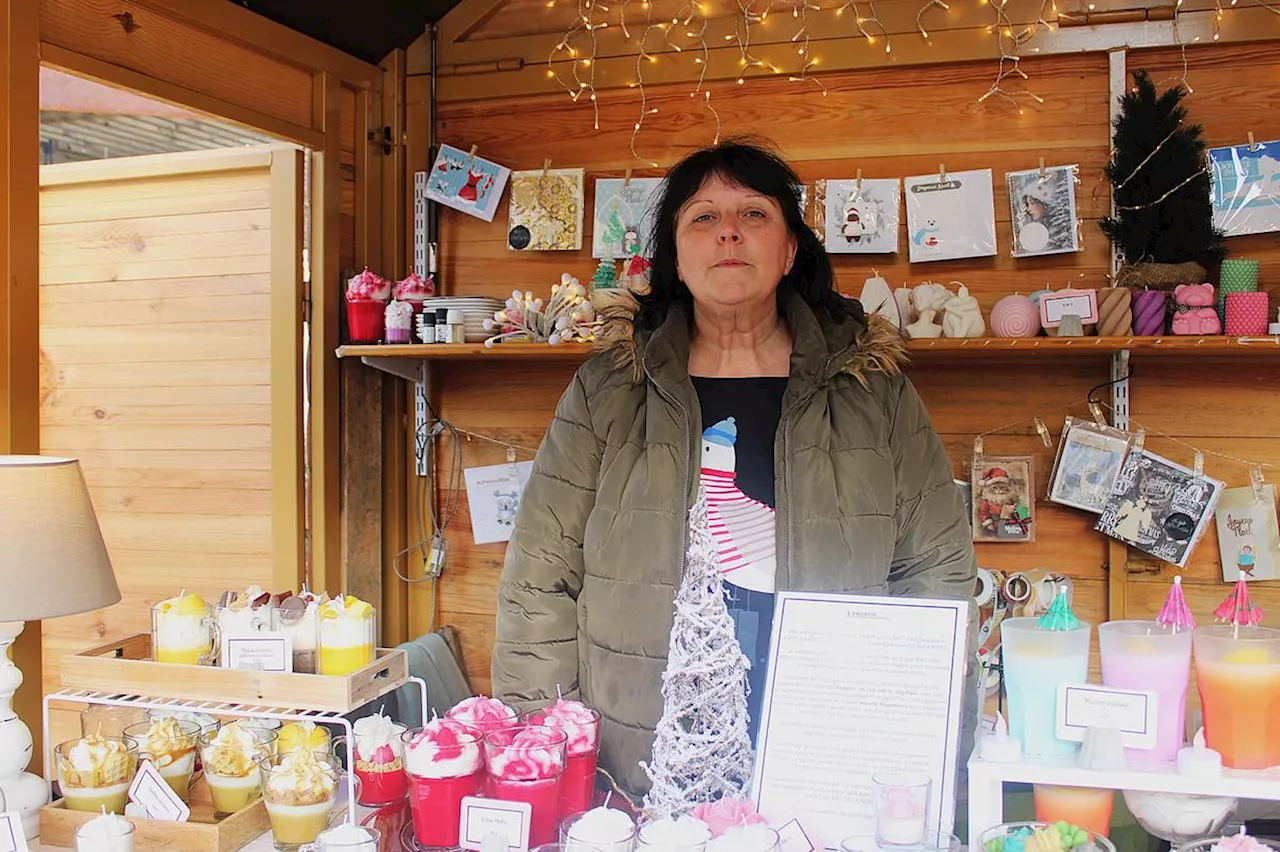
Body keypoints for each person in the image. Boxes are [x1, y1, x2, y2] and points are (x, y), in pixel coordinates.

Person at [492, 139, 978, 797]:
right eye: (702, 217)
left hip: (831, 755)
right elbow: (538, 580)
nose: (728, 230)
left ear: (789, 251)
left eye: (754, 214)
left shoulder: (871, 389)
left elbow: (935, 571)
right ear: (675, 257)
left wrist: (921, 737)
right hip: (635, 761)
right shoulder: (608, 388)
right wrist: (549, 747)